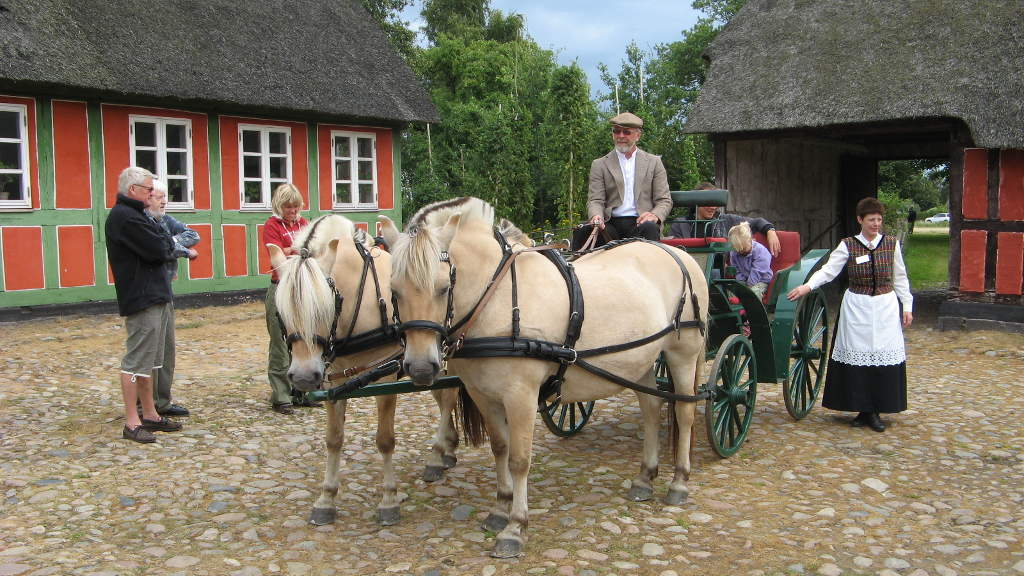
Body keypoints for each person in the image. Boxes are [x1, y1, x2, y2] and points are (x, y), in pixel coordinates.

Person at [787, 197, 913, 433]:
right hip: (857, 307)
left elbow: (900, 277)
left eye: (879, 219)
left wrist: (907, 305)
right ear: (860, 220)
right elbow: (829, 271)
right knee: (858, 355)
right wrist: (808, 286)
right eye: (871, 220)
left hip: (884, 307)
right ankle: (862, 408)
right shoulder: (848, 245)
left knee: (881, 355)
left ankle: (875, 410)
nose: (876, 224)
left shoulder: (891, 244)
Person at [105, 167, 184, 443]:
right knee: (136, 361)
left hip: (155, 294)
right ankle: (132, 421)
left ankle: (150, 414)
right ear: (133, 190)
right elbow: (161, 249)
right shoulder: (125, 217)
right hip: (141, 296)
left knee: (150, 361)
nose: (153, 194)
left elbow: (164, 243)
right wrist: (167, 243)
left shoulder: (138, 215)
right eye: (149, 189)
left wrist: (166, 242)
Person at [571, 112, 672, 250]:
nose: (621, 136)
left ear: (638, 135)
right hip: (610, 224)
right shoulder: (600, 164)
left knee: (650, 227)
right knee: (584, 230)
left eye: (626, 132)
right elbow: (595, 200)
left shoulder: (654, 162)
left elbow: (664, 200)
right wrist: (596, 216)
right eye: (616, 131)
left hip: (641, 223)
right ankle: (575, 263)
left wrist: (654, 215)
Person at [144, 180, 199, 417]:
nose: (164, 201)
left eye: (165, 197)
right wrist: (182, 250)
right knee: (150, 351)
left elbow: (193, 234)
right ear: (147, 199)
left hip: (165, 290)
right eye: (159, 197)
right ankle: (146, 404)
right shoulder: (142, 222)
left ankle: (163, 401)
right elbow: (157, 248)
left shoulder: (165, 220)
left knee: (167, 349)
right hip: (147, 292)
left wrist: (172, 242)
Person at [261, 183, 318, 415]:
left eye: (295, 206)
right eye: (288, 207)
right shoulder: (272, 225)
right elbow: (276, 253)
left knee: (305, 340)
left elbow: (313, 250)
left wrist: (291, 250)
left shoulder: (305, 224)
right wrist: (295, 249)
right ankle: (281, 395)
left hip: (303, 287)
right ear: (279, 206)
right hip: (281, 286)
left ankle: (303, 391)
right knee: (279, 343)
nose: (293, 211)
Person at [669, 182, 782, 258]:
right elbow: (673, 253)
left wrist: (770, 231)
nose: (713, 207)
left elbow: (756, 222)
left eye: (715, 202)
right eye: (707, 203)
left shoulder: (725, 220)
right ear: (696, 202)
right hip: (688, 271)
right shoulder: (680, 224)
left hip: (716, 274)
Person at [728, 222, 772, 298]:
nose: (741, 252)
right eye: (738, 250)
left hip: (761, 281)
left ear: (750, 240)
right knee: (731, 291)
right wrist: (741, 283)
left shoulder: (761, 251)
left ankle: (754, 306)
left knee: (753, 293)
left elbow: (757, 271)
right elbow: (736, 269)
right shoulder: (734, 253)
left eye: (744, 248)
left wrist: (748, 287)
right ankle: (733, 305)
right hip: (745, 280)